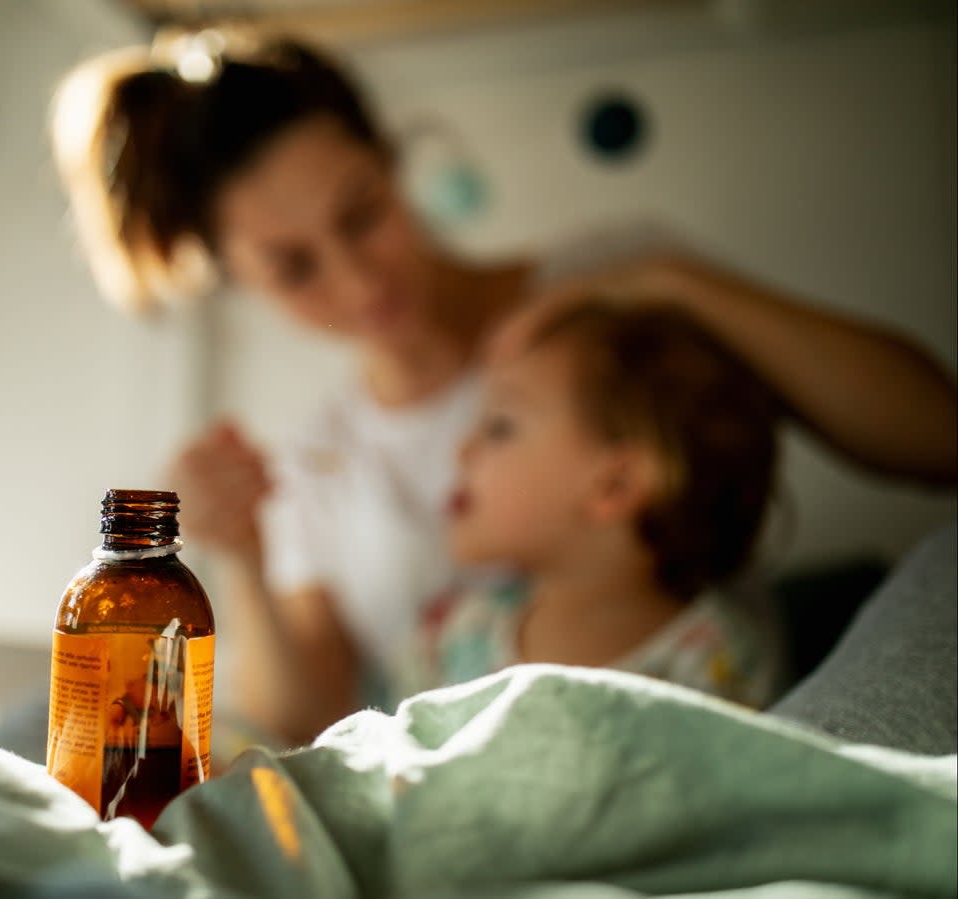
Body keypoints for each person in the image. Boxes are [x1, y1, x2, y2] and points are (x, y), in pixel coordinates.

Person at [51, 28, 958, 745]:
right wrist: (241, 554)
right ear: (243, 283)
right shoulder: (320, 466)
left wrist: (673, 284)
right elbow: (302, 729)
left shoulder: (611, 291)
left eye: (363, 214)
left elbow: (936, 437)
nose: (361, 285)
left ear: (393, 161)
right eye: (294, 268)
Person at [399, 302, 785, 706]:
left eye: (500, 427)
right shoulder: (449, 639)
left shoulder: (717, 664)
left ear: (614, 485)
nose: (461, 450)